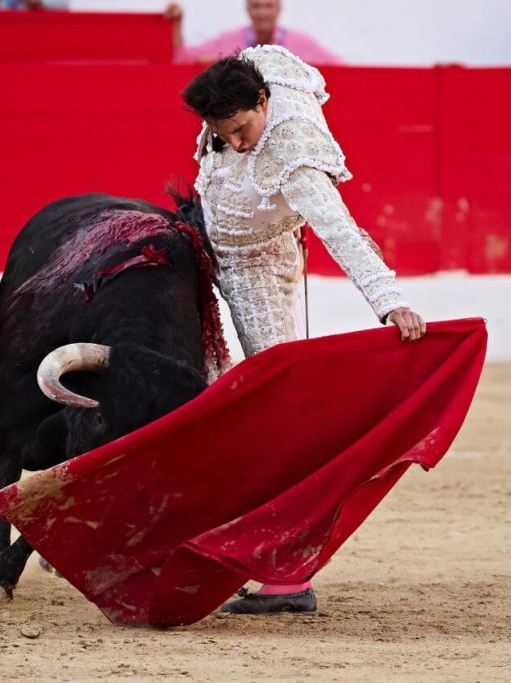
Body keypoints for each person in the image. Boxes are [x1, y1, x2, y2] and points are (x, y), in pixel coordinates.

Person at [182, 46, 426, 614]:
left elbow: (340, 230)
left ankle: (288, 575)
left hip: (256, 269)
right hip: (205, 247)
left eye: (242, 129)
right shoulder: (254, 80)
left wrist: (389, 302)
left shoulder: (292, 149)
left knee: (278, 413)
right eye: (223, 134)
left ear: (263, 101)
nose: (238, 144)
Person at [167, 0, 342, 65]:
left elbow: (343, 70)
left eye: (268, 6)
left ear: (278, 9)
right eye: (256, 6)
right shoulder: (228, 40)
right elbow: (183, 58)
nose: (262, 12)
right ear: (248, 10)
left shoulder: (302, 43)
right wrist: (177, 23)